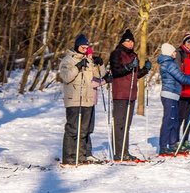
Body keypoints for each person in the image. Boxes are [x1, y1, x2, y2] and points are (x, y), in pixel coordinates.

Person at [59, 34, 107, 165]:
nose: (84, 49)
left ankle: (81, 156)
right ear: (77, 46)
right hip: (74, 98)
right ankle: (69, 157)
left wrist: (100, 64)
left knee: (84, 130)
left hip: (88, 99)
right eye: (82, 47)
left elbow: (100, 75)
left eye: (86, 47)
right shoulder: (68, 60)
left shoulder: (88, 59)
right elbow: (66, 77)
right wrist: (78, 66)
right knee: (73, 129)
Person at [109, 29, 152, 161]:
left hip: (131, 93)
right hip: (120, 93)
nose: (131, 43)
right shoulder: (116, 53)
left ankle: (124, 151)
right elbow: (116, 71)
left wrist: (145, 70)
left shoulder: (134, 55)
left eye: (132, 41)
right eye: (128, 41)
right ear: (123, 41)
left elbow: (135, 74)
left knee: (127, 124)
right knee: (119, 123)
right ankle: (118, 152)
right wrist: (128, 67)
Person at [157, 42, 190, 155]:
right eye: (173, 51)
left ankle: (172, 144)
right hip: (169, 94)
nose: (175, 53)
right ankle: (163, 146)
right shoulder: (169, 64)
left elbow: (181, 77)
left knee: (174, 120)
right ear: (168, 53)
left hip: (173, 95)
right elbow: (181, 78)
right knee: (168, 120)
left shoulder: (169, 63)